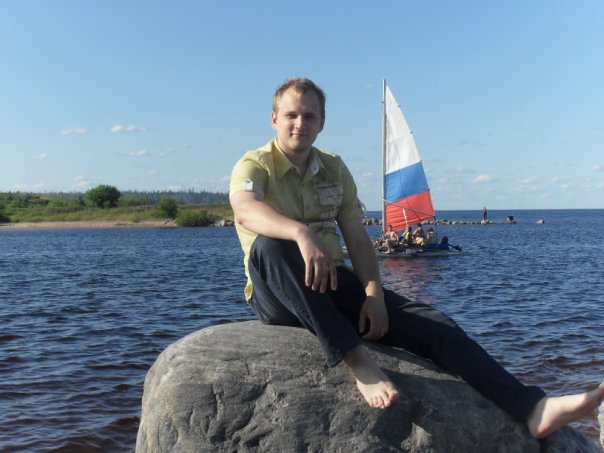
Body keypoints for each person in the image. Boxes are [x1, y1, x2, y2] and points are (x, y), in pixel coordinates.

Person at [229, 77, 604, 439]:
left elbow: (358, 240)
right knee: (271, 245)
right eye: (291, 115)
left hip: (333, 284)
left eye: (309, 116)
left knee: (434, 324)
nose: (300, 123)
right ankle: (358, 361)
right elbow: (245, 210)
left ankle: (532, 408)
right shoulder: (254, 164)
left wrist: (374, 294)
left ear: (322, 123)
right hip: (277, 293)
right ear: (274, 119)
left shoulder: (334, 168)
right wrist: (301, 232)